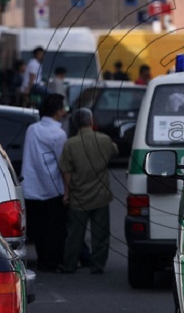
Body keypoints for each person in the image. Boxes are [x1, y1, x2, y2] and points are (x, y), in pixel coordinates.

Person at [59, 108, 118, 274]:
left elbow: (66, 171)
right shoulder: (104, 140)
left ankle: (70, 264)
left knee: (75, 234)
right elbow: (115, 150)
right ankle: (97, 265)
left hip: (79, 196)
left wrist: (67, 193)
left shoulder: (70, 144)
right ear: (91, 121)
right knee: (100, 234)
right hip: (101, 195)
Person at [20, 93, 68, 272]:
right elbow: (62, 162)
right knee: (54, 228)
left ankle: (42, 260)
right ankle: (51, 262)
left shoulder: (32, 129)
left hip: (31, 186)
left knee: (38, 228)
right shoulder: (59, 134)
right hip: (52, 187)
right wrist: (67, 190)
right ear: (58, 111)